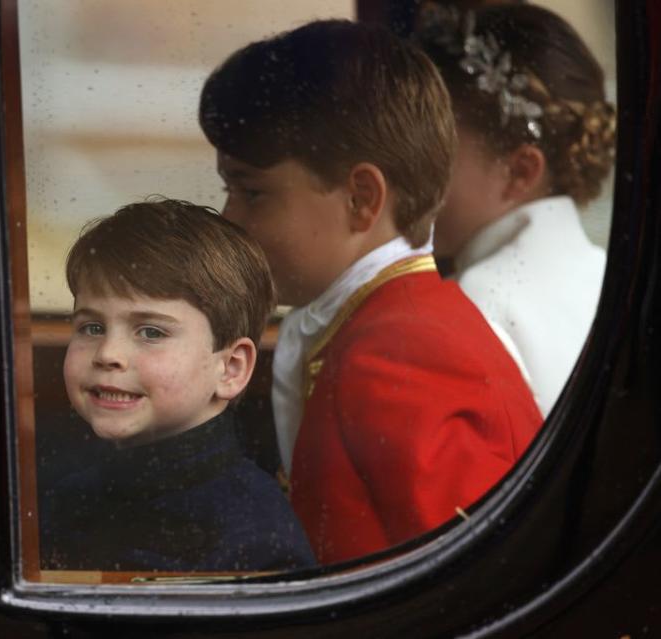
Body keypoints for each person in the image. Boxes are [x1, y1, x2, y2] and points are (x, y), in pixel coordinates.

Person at [199, 19, 543, 564]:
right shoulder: (381, 328)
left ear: (361, 198)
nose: (229, 217)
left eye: (252, 192)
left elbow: (465, 582)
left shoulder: (399, 356)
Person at [40, 198, 315, 572]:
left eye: (151, 332)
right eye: (92, 327)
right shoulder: (65, 498)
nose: (108, 353)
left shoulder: (254, 537)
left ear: (230, 369)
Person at [415, 4, 615, 416]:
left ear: (520, 171)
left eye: (433, 150)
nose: (411, 172)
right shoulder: (609, 277)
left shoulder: (473, 309)